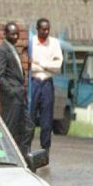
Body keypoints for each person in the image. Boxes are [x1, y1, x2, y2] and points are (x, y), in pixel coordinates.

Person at [0, 22, 33, 155]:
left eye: (17, 33)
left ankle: (22, 157)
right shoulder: (2, 50)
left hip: (19, 97)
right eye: (13, 33)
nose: (16, 36)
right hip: (11, 98)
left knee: (28, 128)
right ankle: (4, 156)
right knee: (9, 130)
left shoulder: (12, 48)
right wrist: (11, 91)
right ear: (5, 34)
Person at [30, 18, 63, 152]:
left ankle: (45, 149)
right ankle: (27, 148)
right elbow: (29, 66)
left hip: (47, 84)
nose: (46, 32)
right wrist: (45, 66)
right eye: (43, 29)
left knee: (46, 120)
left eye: (48, 29)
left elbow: (58, 65)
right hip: (34, 82)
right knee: (30, 117)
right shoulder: (31, 42)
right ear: (37, 29)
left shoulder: (54, 43)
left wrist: (41, 64)